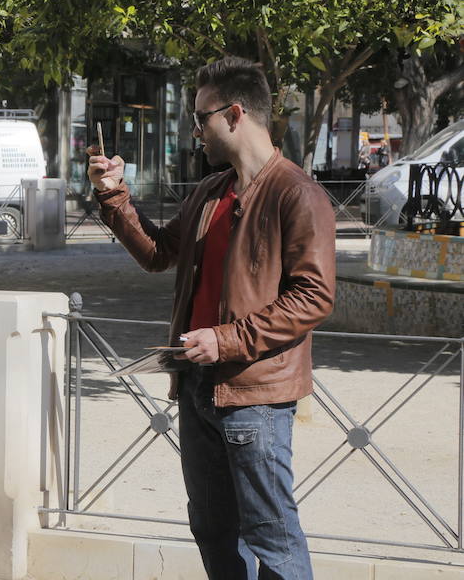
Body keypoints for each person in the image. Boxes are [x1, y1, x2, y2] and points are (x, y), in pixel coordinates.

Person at [87, 56, 335, 579]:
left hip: (254, 395)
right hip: (198, 384)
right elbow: (158, 252)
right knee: (212, 528)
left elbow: (313, 297)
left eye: (200, 117)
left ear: (236, 114)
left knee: (272, 535)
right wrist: (113, 194)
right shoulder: (210, 192)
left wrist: (224, 341)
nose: (193, 129)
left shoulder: (297, 193)